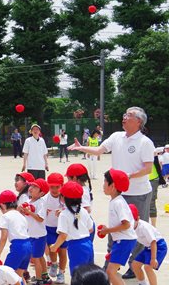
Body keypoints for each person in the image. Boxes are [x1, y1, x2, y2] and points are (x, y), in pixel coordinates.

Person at [69, 106, 155, 279]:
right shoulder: (116, 136)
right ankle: (110, 264)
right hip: (118, 192)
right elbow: (100, 150)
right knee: (115, 228)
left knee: (135, 229)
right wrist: (81, 148)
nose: (124, 117)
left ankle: (133, 265)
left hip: (138, 193)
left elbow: (148, 168)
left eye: (129, 116)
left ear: (139, 121)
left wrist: (128, 176)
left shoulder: (145, 142)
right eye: (124, 114)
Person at [98, 169, 137, 285]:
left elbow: (126, 224)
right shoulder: (116, 201)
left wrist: (107, 230)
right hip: (122, 241)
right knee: (111, 272)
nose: (103, 184)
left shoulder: (118, 203)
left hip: (125, 241)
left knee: (110, 272)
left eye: (105, 181)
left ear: (113, 185)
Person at [50, 181, 94, 276]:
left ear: (63, 198)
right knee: (89, 274)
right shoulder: (83, 211)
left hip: (75, 246)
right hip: (88, 243)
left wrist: (55, 247)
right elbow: (91, 229)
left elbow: (63, 235)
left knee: (77, 275)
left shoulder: (64, 214)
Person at [18, 179, 51, 285]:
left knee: (36, 258)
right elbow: (24, 215)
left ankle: (39, 280)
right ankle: (45, 276)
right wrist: (21, 210)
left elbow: (40, 218)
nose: (31, 188)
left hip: (39, 236)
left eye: (35, 187)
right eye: (31, 186)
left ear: (41, 193)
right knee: (40, 256)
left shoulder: (41, 203)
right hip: (31, 234)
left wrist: (29, 212)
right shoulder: (28, 202)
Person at [0, 190, 31, 280]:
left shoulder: (5, 216)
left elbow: (4, 237)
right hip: (28, 245)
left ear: (2, 205)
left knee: (6, 275)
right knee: (19, 276)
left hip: (18, 247)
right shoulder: (21, 216)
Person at [129, 204, 167, 285]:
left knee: (148, 267)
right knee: (135, 265)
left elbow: (153, 242)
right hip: (148, 247)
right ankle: (142, 283)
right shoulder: (128, 227)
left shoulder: (144, 227)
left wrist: (153, 258)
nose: (130, 224)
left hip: (159, 246)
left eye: (132, 221)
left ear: (138, 218)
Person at [44, 173, 67, 284]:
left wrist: (64, 212)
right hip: (49, 228)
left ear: (62, 186)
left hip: (62, 230)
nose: (54, 189)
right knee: (52, 249)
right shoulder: (44, 199)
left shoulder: (66, 197)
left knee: (63, 252)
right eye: (51, 187)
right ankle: (53, 264)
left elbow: (73, 210)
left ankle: (61, 273)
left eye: (57, 187)